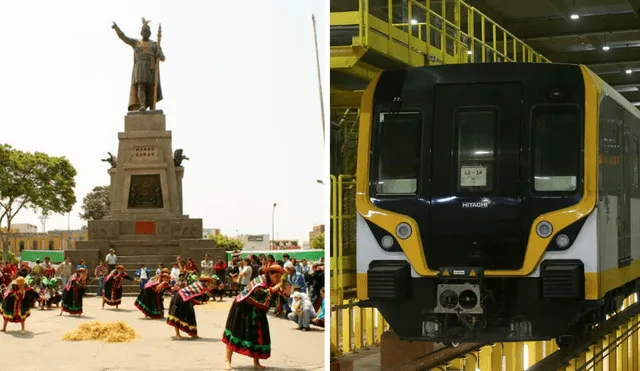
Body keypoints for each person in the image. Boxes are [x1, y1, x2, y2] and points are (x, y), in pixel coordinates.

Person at [222, 265, 289, 371]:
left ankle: (256, 362)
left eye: (279, 276)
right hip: (242, 307)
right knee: (236, 332)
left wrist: (283, 290)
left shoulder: (270, 282)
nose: (278, 279)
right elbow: (261, 294)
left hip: (257, 309)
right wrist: (277, 287)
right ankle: (227, 360)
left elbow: (278, 294)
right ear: (270, 274)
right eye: (276, 276)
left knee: (259, 335)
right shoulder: (259, 282)